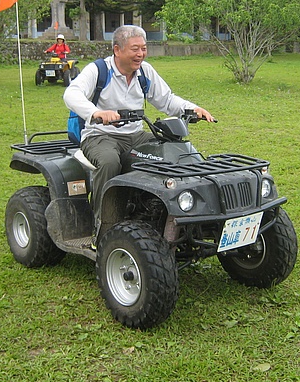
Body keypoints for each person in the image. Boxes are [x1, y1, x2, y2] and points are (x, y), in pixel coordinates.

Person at [63, 25, 214, 232]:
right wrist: (96, 113)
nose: (141, 54)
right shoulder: (98, 70)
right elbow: (72, 94)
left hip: (135, 135)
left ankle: (176, 209)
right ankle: (103, 225)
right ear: (117, 49)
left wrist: (192, 108)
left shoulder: (144, 72)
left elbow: (166, 100)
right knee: (109, 162)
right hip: (100, 135)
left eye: (143, 48)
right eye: (135, 49)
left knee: (171, 150)